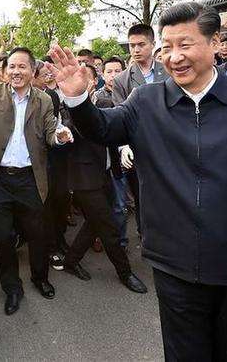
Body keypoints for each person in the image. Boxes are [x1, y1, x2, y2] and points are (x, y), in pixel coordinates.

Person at [47, 2, 227, 361]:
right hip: (172, 259)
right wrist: (77, 97)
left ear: (214, 43)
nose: (174, 57)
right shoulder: (146, 101)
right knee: (184, 352)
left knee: (224, 345)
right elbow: (102, 128)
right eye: (167, 47)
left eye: (185, 44)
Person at [0, 47, 72, 316]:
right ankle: (12, 288)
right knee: (3, 238)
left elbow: (50, 132)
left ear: (33, 71)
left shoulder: (44, 100)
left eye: (22, 66)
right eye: (12, 66)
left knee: (37, 234)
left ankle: (40, 278)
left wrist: (60, 136)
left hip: (30, 179)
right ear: (5, 70)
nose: (16, 71)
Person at [61, 64, 147, 293]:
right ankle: (125, 273)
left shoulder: (106, 104)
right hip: (85, 181)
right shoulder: (68, 107)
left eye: (86, 77)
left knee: (94, 224)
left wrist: (124, 148)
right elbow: (69, 128)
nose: (81, 81)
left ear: (93, 81)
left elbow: (116, 130)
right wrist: (65, 131)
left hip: (108, 174)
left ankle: (71, 261)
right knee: (109, 229)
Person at [112, 24, 168, 237]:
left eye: (141, 44)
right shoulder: (122, 80)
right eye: (131, 45)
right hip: (138, 148)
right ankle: (146, 237)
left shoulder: (169, 70)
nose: (135, 50)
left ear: (153, 44)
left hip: (169, 144)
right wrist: (124, 146)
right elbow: (120, 116)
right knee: (142, 198)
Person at [94, 56, 129, 248]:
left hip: (125, 159)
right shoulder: (96, 98)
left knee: (120, 205)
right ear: (102, 74)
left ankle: (120, 241)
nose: (113, 75)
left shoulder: (131, 94)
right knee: (103, 205)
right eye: (109, 71)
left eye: (118, 71)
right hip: (102, 161)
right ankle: (102, 238)